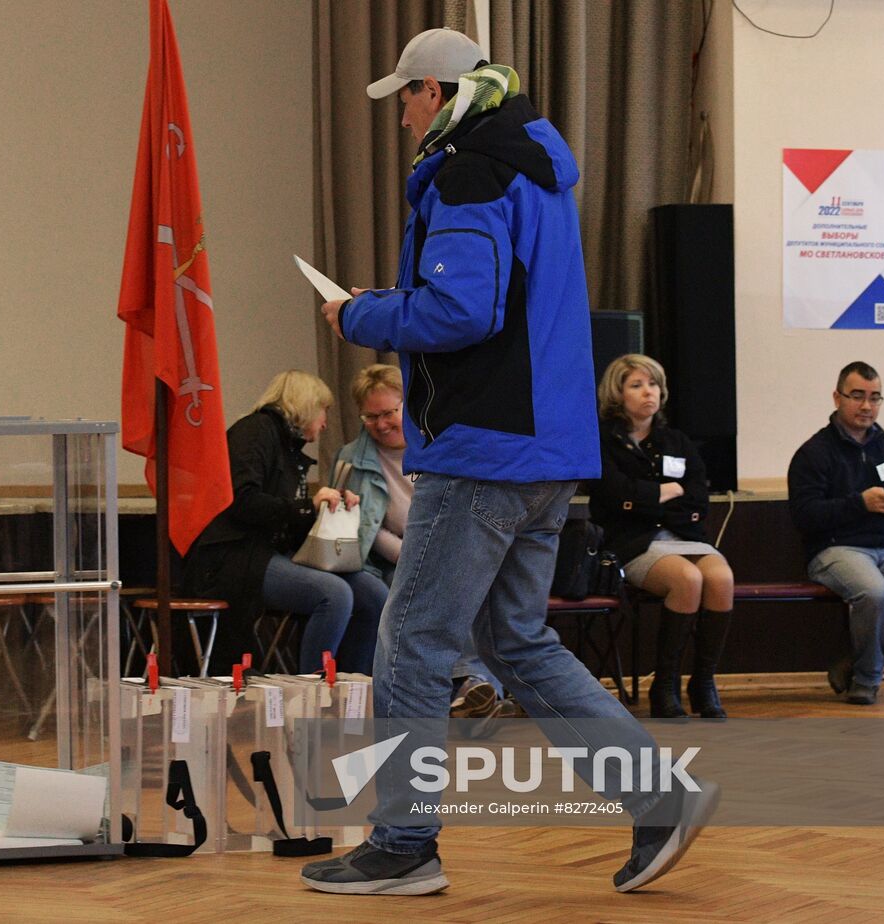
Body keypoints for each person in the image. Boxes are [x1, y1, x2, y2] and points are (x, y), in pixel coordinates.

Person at [301, 27, 718, 896]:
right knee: (515, 639)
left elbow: (461, 310)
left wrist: (364, 315)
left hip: (483, 450)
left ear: (440, 94)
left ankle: (404, 843)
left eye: (408, 97)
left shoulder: (468, 169)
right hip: (546, 450)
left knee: (413, 638)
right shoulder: (535, 167)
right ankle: (655, 800)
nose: (403, 117)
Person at [182, 370, 387, 673]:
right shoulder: (253, 432)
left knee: (374, 593)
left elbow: (290, 512)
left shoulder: (288, 447)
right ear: (306, 405)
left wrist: (329, 507)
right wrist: (307, 506)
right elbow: (241, 501)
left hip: (273, 552)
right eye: (324, 411)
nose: (325, 422)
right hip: (235, 557)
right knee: (334, 594)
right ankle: (315, 694)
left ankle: (357, 685)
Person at [337, 363, 509, 722]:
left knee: (469, 587)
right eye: (370, 417)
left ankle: (466, 690)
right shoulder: (353, 459)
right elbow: (362, 528)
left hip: (456, 549)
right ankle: (473, 687)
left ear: (408, 404)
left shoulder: (441, 444)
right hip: (391, 562)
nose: (381, 424)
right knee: (445, 591)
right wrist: (413, 554)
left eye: (388, 413)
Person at [788, 361, 884, 706]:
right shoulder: (813, 453)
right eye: (857, 396)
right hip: (834, 550)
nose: (866, 406)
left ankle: (858, 663)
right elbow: (804, 515)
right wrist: (861, 503)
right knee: (875, 594)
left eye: (875, 398)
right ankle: (867, 679)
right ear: (837, 397)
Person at [587, 354, 735, 719]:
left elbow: (698, 497)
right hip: (632, 542)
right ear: (617, 394)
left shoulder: (676, 441)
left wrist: (647, 498)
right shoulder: (602, 441)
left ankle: (703, 681)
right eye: (636, 385)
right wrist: (664, 494)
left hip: (684, 537)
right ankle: (664, 685)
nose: (647, 392)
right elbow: (613, 494)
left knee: (721, 578)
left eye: (652, 384)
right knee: (687, 578)